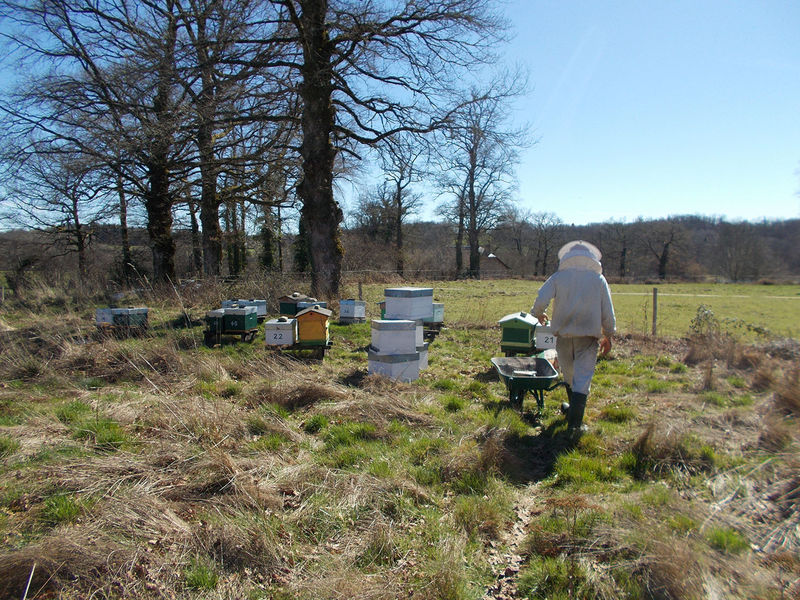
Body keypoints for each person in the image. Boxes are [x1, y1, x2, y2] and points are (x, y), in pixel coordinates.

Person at [531, 240, 616, 434]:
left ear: (568, 257)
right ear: (592, 259)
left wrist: (539, 313)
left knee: (569, 375)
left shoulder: (559, 277)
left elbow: (541, 298)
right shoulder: (598, 280)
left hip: (563, 335)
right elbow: (608, 313)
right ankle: (575, 425)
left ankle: (573, 416)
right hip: (587, 337)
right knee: (582, 378)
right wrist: (608, 335)